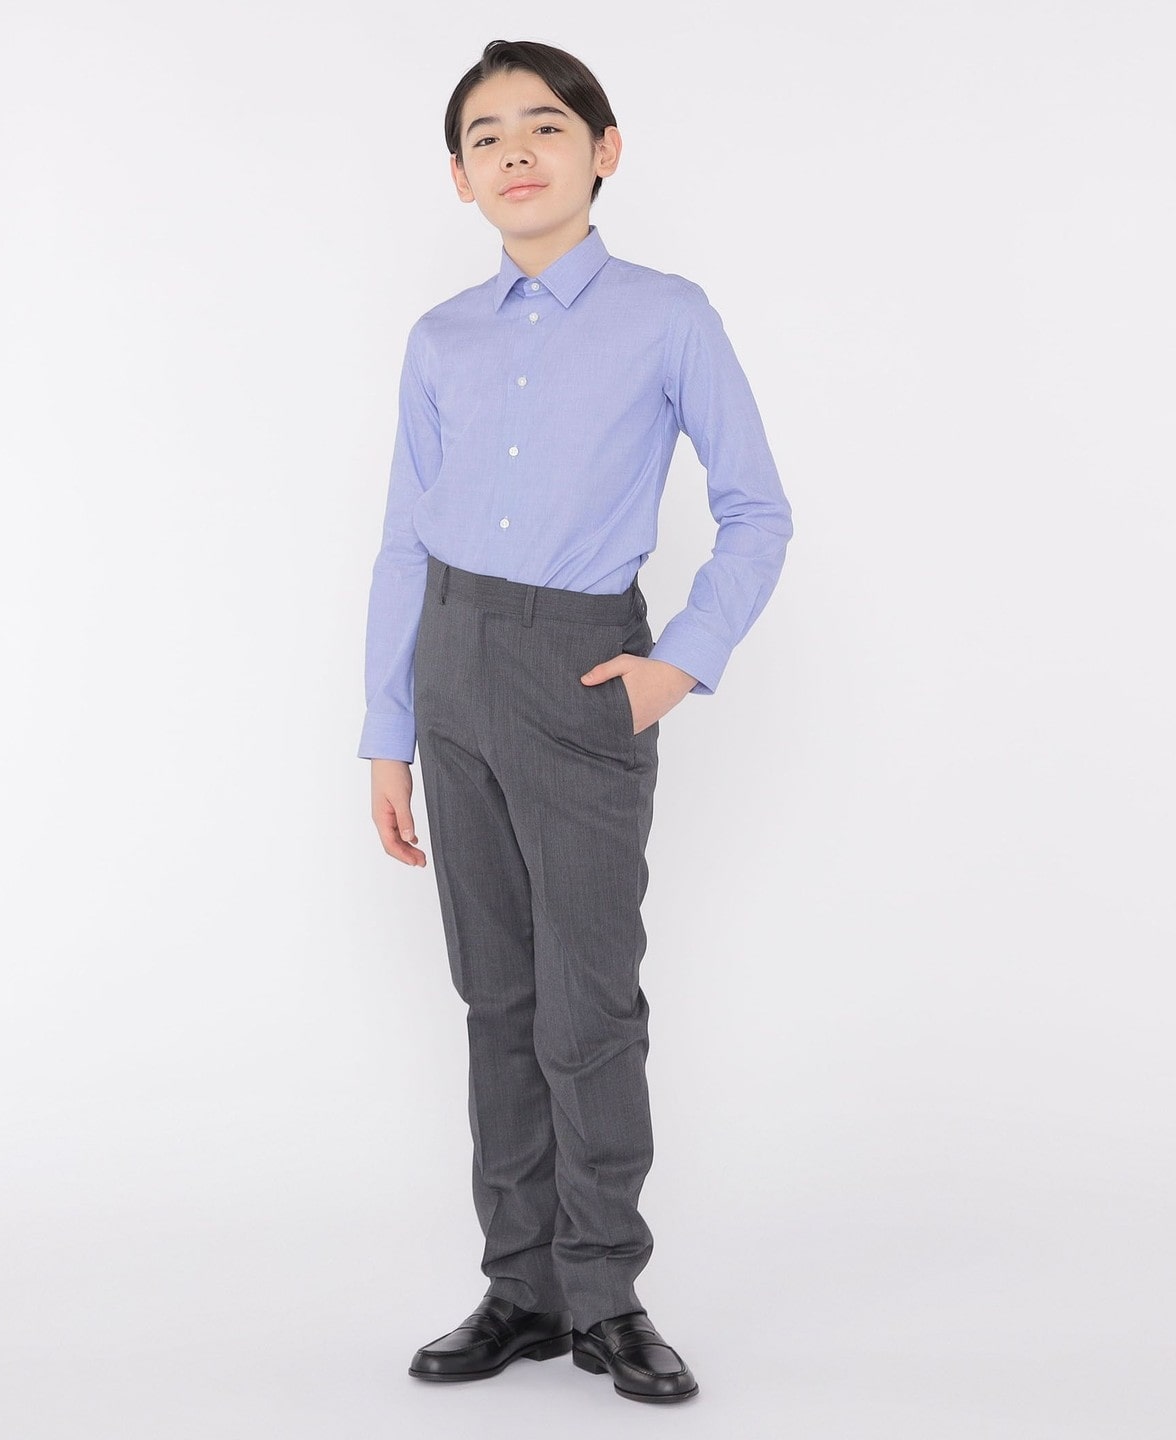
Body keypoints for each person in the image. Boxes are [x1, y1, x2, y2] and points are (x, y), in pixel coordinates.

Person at [358, 38, 793, 1405]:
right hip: (452, 663)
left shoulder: (668, 317)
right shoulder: (442, 337)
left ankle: (606, 1292)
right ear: (459, 175)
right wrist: (386, 730)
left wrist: (678, 665)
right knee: (495, 995)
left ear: (604, 150)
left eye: (545, 126)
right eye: (485, 136)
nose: (516, 152)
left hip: (583, 670)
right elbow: (401, 541)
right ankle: (522, 1288)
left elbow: (758, 511)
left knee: (587, 1000)